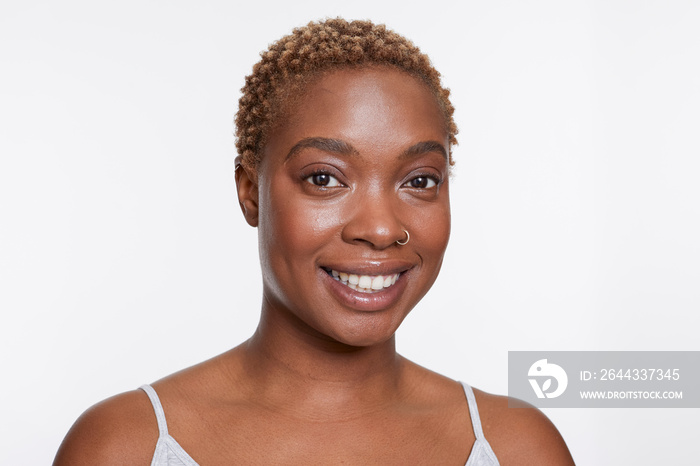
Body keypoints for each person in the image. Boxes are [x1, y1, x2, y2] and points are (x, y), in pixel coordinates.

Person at [54, 18, 574, 465]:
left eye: (419, 180)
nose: (379, 228)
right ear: (248, 191)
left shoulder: (516, 447)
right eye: (325, 178)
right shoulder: (126, 446)